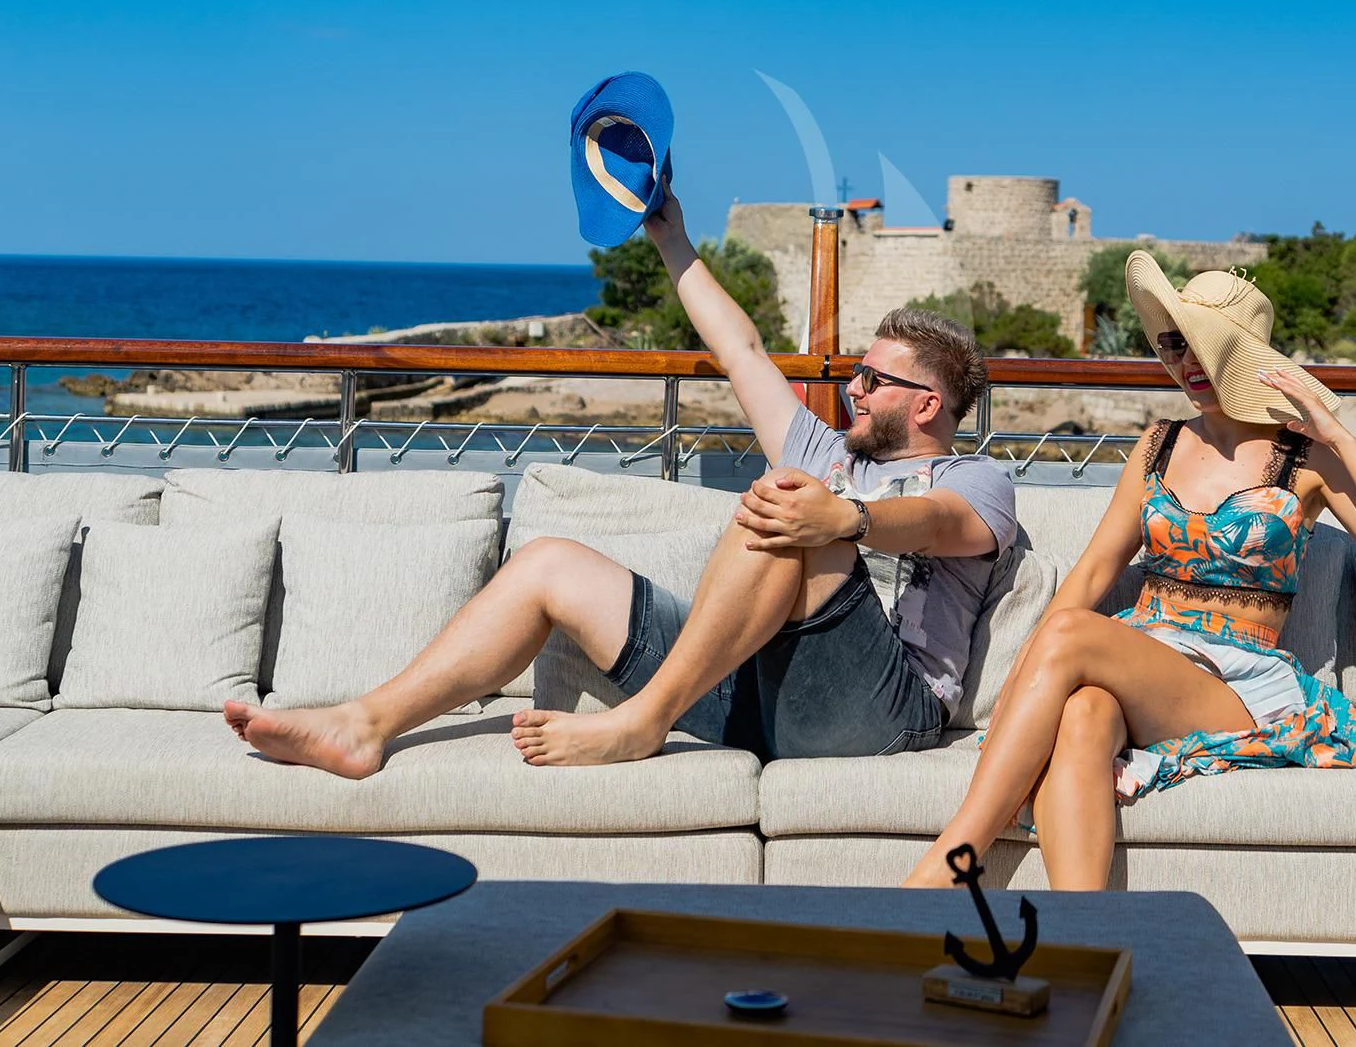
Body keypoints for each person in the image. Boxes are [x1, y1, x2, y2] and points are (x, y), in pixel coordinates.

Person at [225, 187, 1018, 774]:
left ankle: (642, 721)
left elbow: (938, 522)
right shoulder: (825, 450)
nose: (853, 387)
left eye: (873, 379)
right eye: (854, 371)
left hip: (881, 710)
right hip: (760, 686)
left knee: (783, 500)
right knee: (548, 564)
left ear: (927, 401)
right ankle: (365, 724)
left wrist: (840, 520)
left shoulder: (977, 478)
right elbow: (741, 349)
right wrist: (669, 236)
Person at [901, 252, 1356, 891]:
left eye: (1203, 345)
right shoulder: (1158, 443)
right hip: (1147, 661)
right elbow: (1090, 575)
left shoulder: (1303, 458)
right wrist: (1023, 700)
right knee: (1083, 714)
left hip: (1238, 682)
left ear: (1244, 354)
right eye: (1173, 342)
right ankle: (1085, 941)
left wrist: (1338, 436)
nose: (1185, 361)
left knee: (1069, 634)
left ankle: (946, 868)